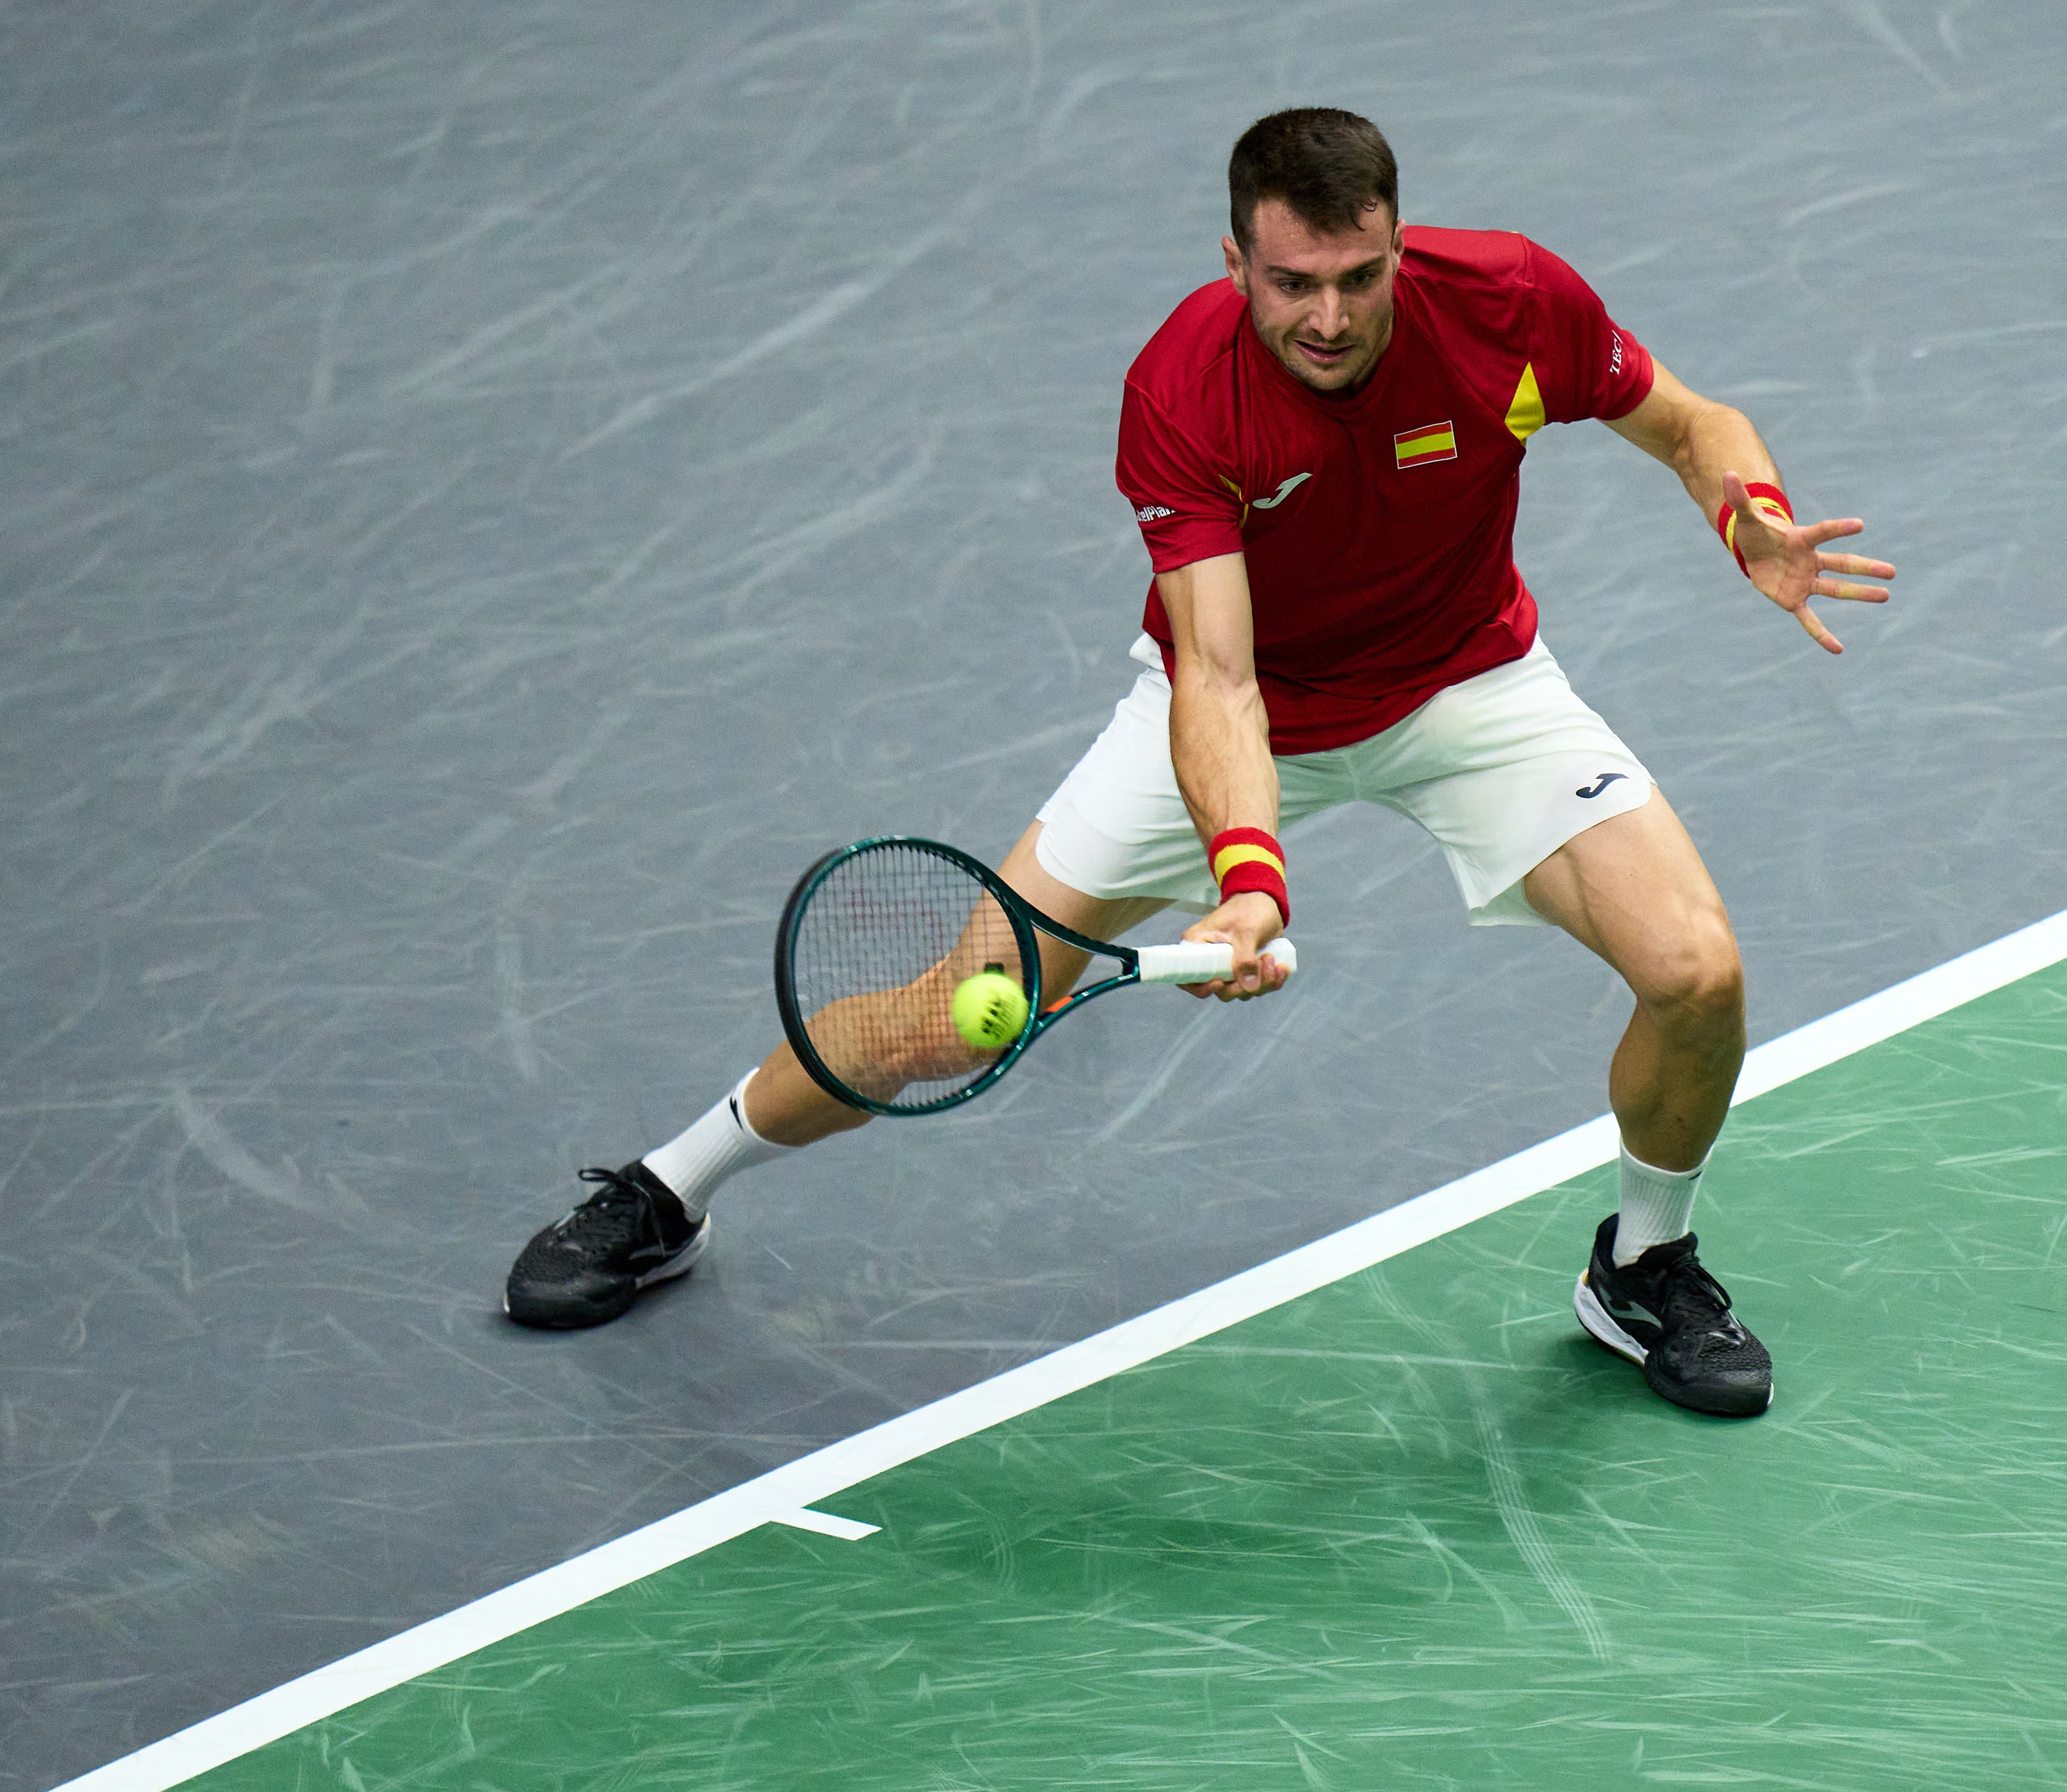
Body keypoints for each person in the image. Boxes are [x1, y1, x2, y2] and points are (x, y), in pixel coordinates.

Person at [504, 108, 1892, 1418]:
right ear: (1233, 260)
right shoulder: (1185, 388)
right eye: (1294, 282)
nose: (1331, 318)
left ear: (1401, 247)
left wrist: (1747, 512)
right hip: (1242, 708)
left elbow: (1691, 424)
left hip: (1469, 684)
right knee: (955, 1009)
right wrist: (1247, 878)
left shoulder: (1513, 301)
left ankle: (1641, 1268)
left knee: (1698, 972)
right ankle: (668, 1189)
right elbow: (1218, 673)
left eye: (1359, 276)